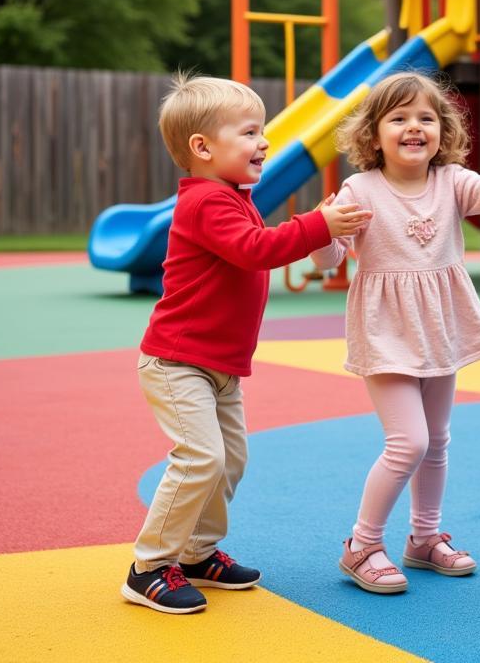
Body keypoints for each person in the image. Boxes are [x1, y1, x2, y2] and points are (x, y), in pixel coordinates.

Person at [312, 71, 480, 594]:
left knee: (436, 441)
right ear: (373, 135)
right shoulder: (360, 188)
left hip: (440, 327)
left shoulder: (451, 181)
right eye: (399, 118)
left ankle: (424, 538)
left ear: (443, 130)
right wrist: (324, 231)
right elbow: (329, 259)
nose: (414, 127)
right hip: (386, 332)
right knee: (407, 441)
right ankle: (362, 545)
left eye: (426, 118)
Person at [121, 74, 371, 614]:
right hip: (177, 360)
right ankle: (148, 567)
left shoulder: (232, 196)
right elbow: (256, 250)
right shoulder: (207, 203)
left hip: (220, 364)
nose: (264, 143)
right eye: (251, 132)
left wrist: (319, 227)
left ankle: (196, 553)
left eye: (263, 132)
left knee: (230, 459)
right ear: (203, 147)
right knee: (201, 457)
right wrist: (317, 224)